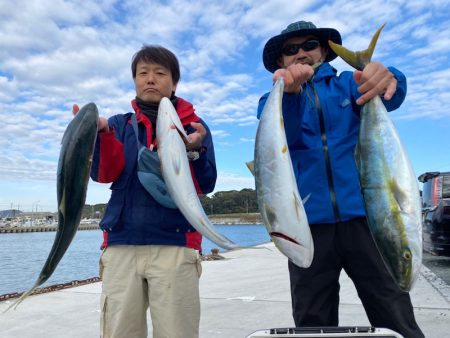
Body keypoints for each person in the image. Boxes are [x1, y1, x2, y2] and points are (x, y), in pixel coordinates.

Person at [258, 21, 424, 338]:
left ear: (324, 52)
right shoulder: (272, 102)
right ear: (281, 61)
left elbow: (392, 93)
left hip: (368, 222)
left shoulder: (350, 84)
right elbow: (284, 134)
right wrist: (290, 95)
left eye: (309, 45)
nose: (301, 53)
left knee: (394, 311)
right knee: (311, 319)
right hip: (308, 229)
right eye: (290, 50)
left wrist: (387, 75)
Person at [75, 45, 217, 338]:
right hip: (121, 245)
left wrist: (195, 150)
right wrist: (101, 136)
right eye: (143, 73)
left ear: (174, 82)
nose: (150, 79)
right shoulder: (118, 124)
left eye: (160, 73)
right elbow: (103, 174)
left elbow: (206, 184)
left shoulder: (194, 127)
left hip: (176, 246)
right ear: (135, 81)